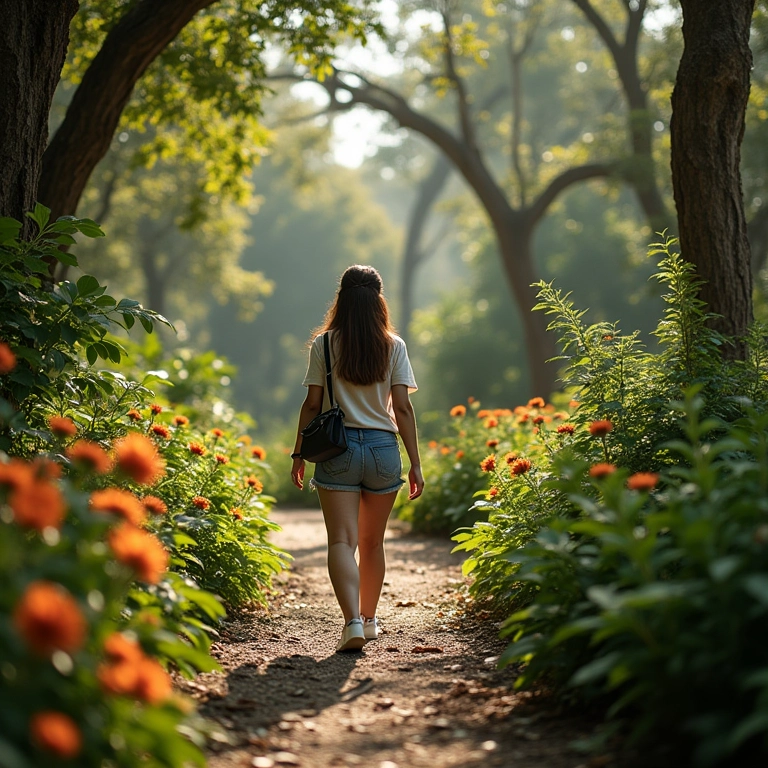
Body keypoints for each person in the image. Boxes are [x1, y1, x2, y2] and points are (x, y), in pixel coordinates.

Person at [290, 265, 424, 652]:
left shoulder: (325, 344)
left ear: (342, 299)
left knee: (341, 542)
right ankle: (369, 620)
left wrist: (299, 454)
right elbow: (403, 409)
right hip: (384, 450)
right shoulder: (393, 345)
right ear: (379, 299)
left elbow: (312, 404)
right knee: (373, 543)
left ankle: (350, 622)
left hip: (338, 448)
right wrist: (414, 463)